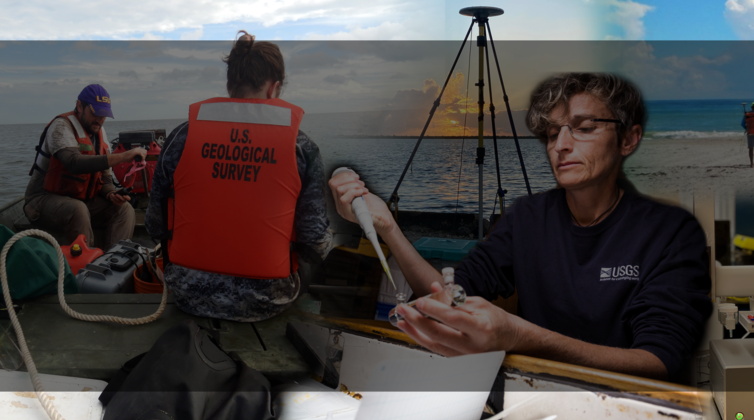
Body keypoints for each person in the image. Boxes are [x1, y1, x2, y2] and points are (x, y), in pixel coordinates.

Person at [328, 73, 712, 382]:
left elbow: (658, 361)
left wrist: (520, 336)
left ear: (629, 139)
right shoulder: (527, 217)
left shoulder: (671, 233)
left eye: (583, 127)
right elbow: (449, 294)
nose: (560, 145)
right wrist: (387, 226)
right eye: (551, 132)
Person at [146, 31, 331, 322]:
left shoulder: (182, 136)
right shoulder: (302, 147)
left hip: (187, 293)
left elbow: (155, 225)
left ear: (230, 84)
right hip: (268, 301)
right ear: (274, 88)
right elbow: (314, 243)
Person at [25, 84, 146, 250]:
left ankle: (115, 263)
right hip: (42, 201)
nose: (100, 119)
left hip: (82, 200)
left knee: (124, 209)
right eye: (95, 113)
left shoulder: (100, 133)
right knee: (77, 209)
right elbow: (73, 163)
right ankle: (85, 267)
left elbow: (105, 178)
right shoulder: (61, 126)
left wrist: (111, 193)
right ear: (80, 106)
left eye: (104, 115)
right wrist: (124, 156)